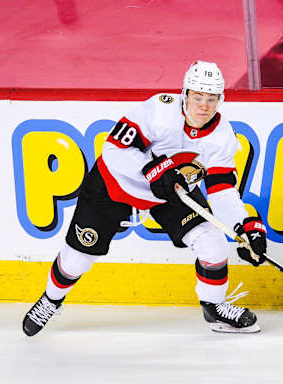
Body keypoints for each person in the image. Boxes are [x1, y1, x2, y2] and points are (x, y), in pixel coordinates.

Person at [22, 61, 267, 336]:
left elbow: (221, 190)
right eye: (197, 97)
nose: (203, 106)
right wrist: (153, 170)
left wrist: (243, 227)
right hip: (113, 183)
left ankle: (215, 308)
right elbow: (114, 148)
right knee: (77, 259)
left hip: (170, 194)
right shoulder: (158, 110)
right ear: (185, 94)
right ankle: (51, 300)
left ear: (220, 100)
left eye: (211, 99)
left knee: (213, 243)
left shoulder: (222, 137)